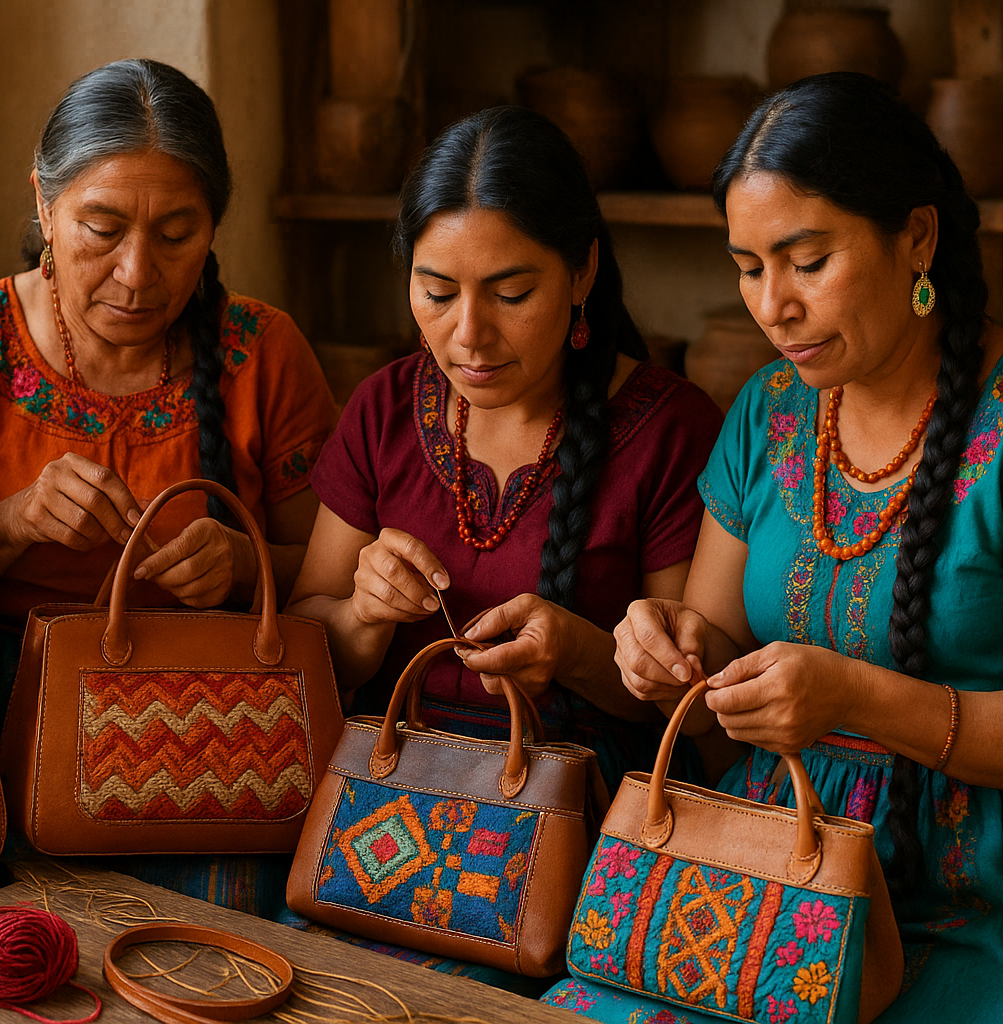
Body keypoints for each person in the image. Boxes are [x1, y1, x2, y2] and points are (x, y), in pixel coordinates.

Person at [553, 73, 1003, 1022]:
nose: (770, 305)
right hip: (768, 869)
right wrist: (673, 660)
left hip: (971, 895)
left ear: (917, 236)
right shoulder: (769, 414)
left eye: (806, 260)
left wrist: (858, 696)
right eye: (747, 266)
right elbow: (712, 687)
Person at [283, 106, 724, 990]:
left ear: (583, 271)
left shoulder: (668, 429)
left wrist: (582, 653)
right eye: (437, 291)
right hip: (381, 815)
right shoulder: (382, 408)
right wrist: (364, 616)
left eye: (511, 293)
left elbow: (697, 709)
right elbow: (306, 636)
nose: (469, 335)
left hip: (581, 836)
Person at [0, 58, 334, 915]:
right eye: (101, 227)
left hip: (213, 726)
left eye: (177, 233)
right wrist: (14, 521)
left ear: (215, 224)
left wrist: (245, 568)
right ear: (43, 204)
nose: (139, 274)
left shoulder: (265, 351)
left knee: (228, 922)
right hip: (0, 722)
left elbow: (329, 574)